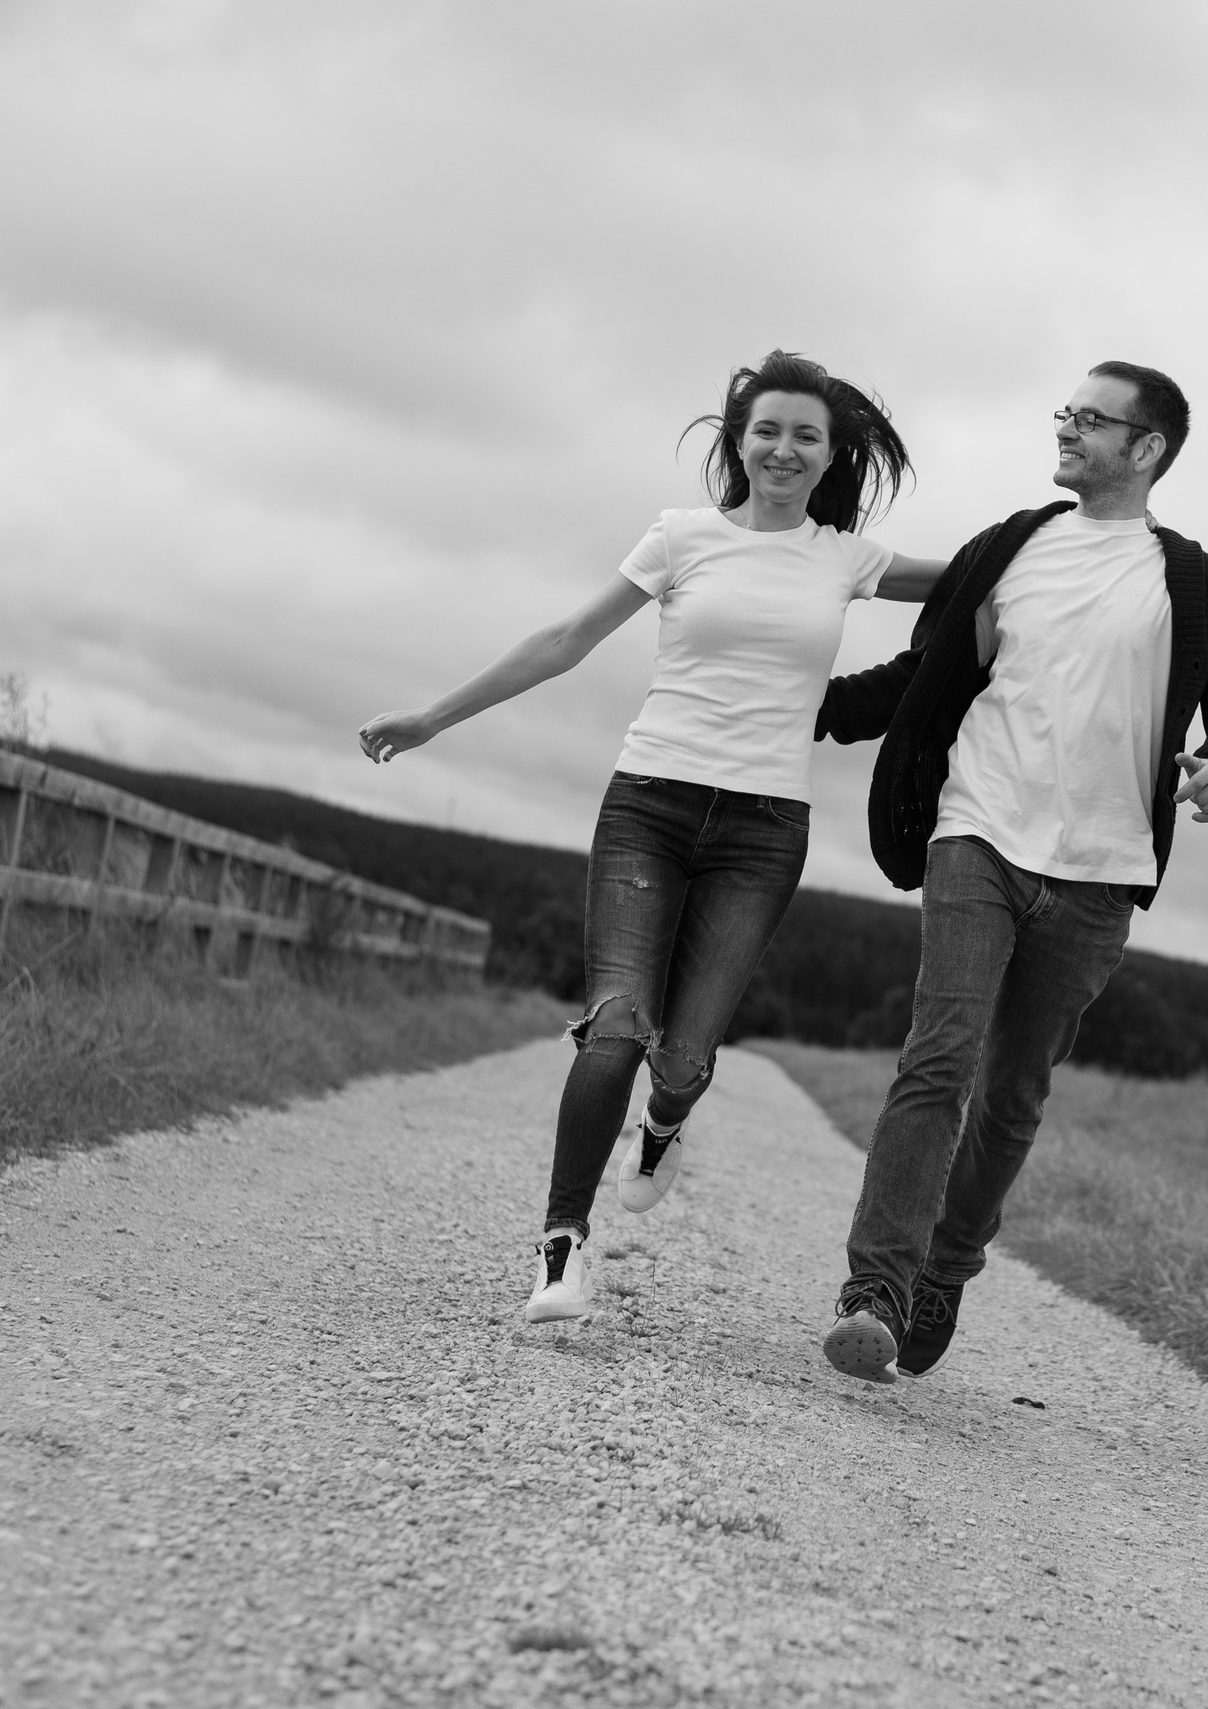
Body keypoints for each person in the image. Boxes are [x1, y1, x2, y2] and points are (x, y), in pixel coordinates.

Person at [357, 351, 945, 1325]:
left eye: (805, 435)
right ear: (737, 441)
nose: (784, 448)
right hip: (649, 805)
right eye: (767, 429)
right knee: (617, 1024)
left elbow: (981, 577)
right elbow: (565, 639)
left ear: (831, 452)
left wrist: (1067, 546)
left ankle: (664, 1122)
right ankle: (561, 1248)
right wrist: (432, 717)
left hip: (763, 830)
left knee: (683, 1058)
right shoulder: (682, 536)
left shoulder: (846, 557)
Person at [812, 360, 1208, 1383]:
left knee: (1013, 1091)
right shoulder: (1008, 548)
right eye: (1066, 411)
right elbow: (921, 675)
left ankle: (945, 1266)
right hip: (976, 829)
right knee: (939, 1056)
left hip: (1100, 871)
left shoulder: (1192, 584)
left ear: (1145, 448)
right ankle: (875, 1290)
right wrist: (803, 704)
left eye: (1090, 419)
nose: (1065, 428)